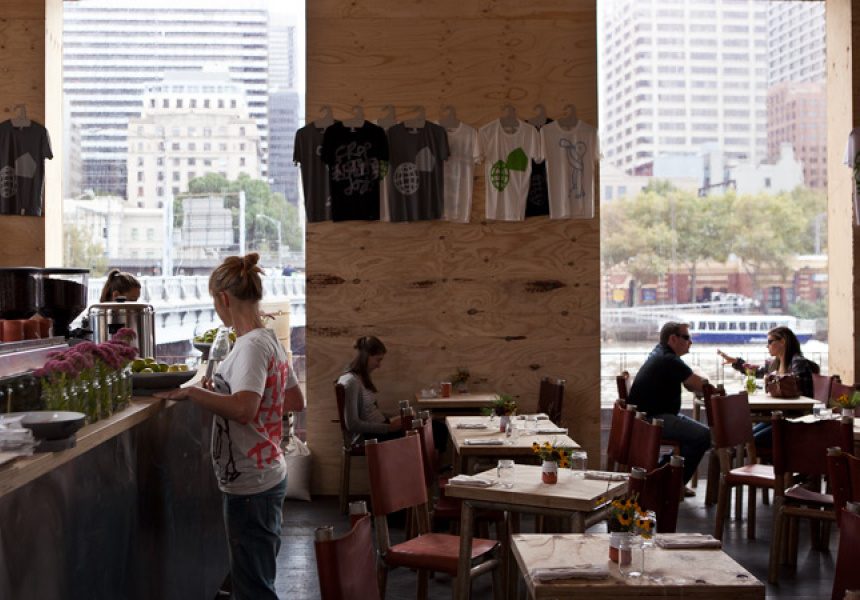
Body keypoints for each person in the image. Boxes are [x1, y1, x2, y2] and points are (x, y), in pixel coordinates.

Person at [155, 253, 303, 600]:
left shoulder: (251, 347)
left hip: (251, 485)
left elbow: (244, 410)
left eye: (214, 301)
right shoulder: (270, 340)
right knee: (256, 579)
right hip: (267, 474)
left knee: (253, 589)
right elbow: (293, 399)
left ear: (223, 298)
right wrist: (224, 392)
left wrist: (193, 393)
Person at [627, 321, 710, 492]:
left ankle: (663, 476)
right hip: (651, 420)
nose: (690, 342)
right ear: (673, 338)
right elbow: (703, 385)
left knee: (698, 434)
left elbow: (691, 383)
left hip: (647, 417)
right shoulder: (669, 359)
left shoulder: (661, 353)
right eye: (686, 337)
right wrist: (702, 376)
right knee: (703, 435)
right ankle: (670, 483)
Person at [717, 326, 819, 447]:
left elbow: (796, 391)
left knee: (750, 440)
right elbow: (757, 372)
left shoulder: (798, 363)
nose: (767, 345)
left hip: (795, 419)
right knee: (745, 438)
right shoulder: (775, 363)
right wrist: (736, 362)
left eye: (770, 342)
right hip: (779, 416)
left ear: (782, 342)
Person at [338, 336, 402, 448]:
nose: (379, 366)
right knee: (427, 431)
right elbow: (352, 424)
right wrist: (389, 427)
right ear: (366, 356)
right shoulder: (351, 382)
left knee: (427, 426)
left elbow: (371, 412)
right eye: (378, 360)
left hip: (380, 429)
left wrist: (397, 418)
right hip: (370, 436)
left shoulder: (362, 378)